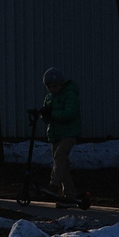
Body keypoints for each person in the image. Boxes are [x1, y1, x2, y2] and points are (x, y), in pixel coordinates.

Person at [39, 67, 87, 209]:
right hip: (55, 135)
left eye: (55, 86)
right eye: (50, 87)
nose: (53, 89)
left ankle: (54, 185)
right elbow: (47, 117)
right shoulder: (49, 98)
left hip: (69, 133)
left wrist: (51, 114)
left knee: (60, 156)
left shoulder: (69, 95)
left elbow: (70, 113)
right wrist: (44, 114)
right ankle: (69, 195)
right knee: (62, 164)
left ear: (61, 84)